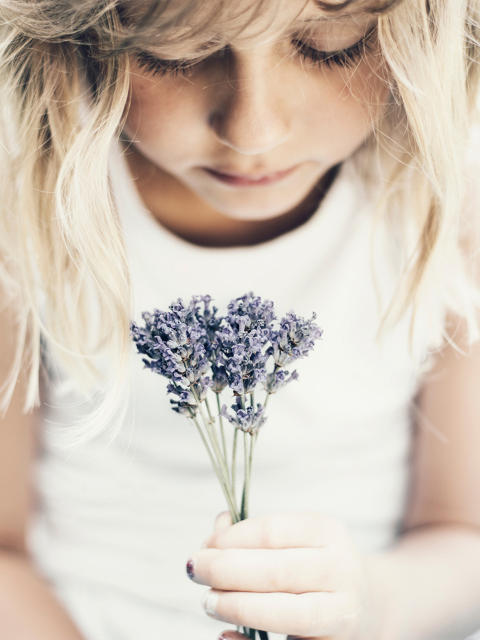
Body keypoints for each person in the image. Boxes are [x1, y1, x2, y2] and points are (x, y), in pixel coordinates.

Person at [1, 0, 480, 638]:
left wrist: (370, 607)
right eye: (179, 53)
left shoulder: (447, 199)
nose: (254, 132)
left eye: (330, 46)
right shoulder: (27, 199)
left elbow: (463, 535)